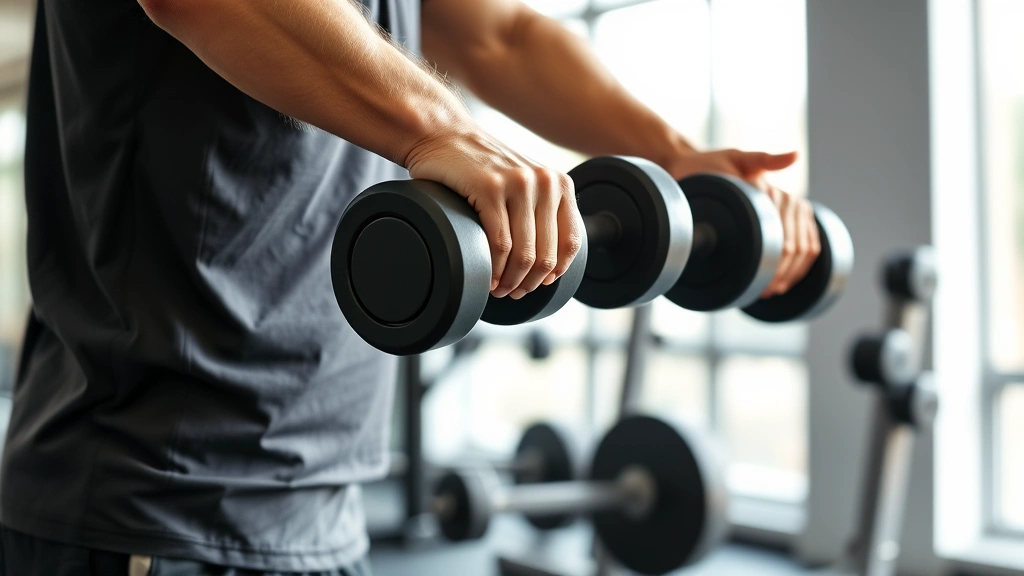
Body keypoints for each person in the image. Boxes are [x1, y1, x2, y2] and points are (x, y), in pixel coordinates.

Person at [0, 0, 820, 574]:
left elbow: (500, 35)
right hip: (154, 501)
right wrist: (446, 129)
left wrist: (673, 157)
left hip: (320, 499)